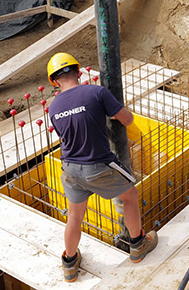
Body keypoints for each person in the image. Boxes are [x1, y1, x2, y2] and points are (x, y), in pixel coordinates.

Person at [46, 53, 157, 282]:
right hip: (97, 165)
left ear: (55, 81)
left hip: (70, 169)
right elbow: (126, 120)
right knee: (130, 195)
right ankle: (138, 245)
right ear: (78, 72)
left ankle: (69, 263)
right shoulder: (96, 92)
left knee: (75, 216)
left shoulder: (54, 107)